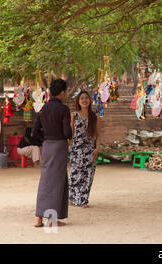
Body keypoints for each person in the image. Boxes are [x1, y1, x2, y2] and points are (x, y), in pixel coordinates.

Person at [32, 79, 72, 228]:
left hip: (47, 146)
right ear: (62, 93)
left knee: (45, 180)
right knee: (57, 181)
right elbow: (67, 132)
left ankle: (38, 218)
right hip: (59, 146)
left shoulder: (43, 108)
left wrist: (45, 138)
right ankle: (51, 219)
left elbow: (34, 131)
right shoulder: (63, 110)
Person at [69, 91, 100, 208]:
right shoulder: (74, 115)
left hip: (90, 150)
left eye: (87, 98)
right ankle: (72, 199)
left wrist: (97, 148)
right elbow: (71, 133)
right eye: (82, 98)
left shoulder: (94, 117)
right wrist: (68, 146)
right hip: (76, 150)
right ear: (78, 101)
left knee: (88, 176)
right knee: (75, 175)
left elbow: (98, 134)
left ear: (90, 100)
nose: (84, 100)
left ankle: (83, 200)